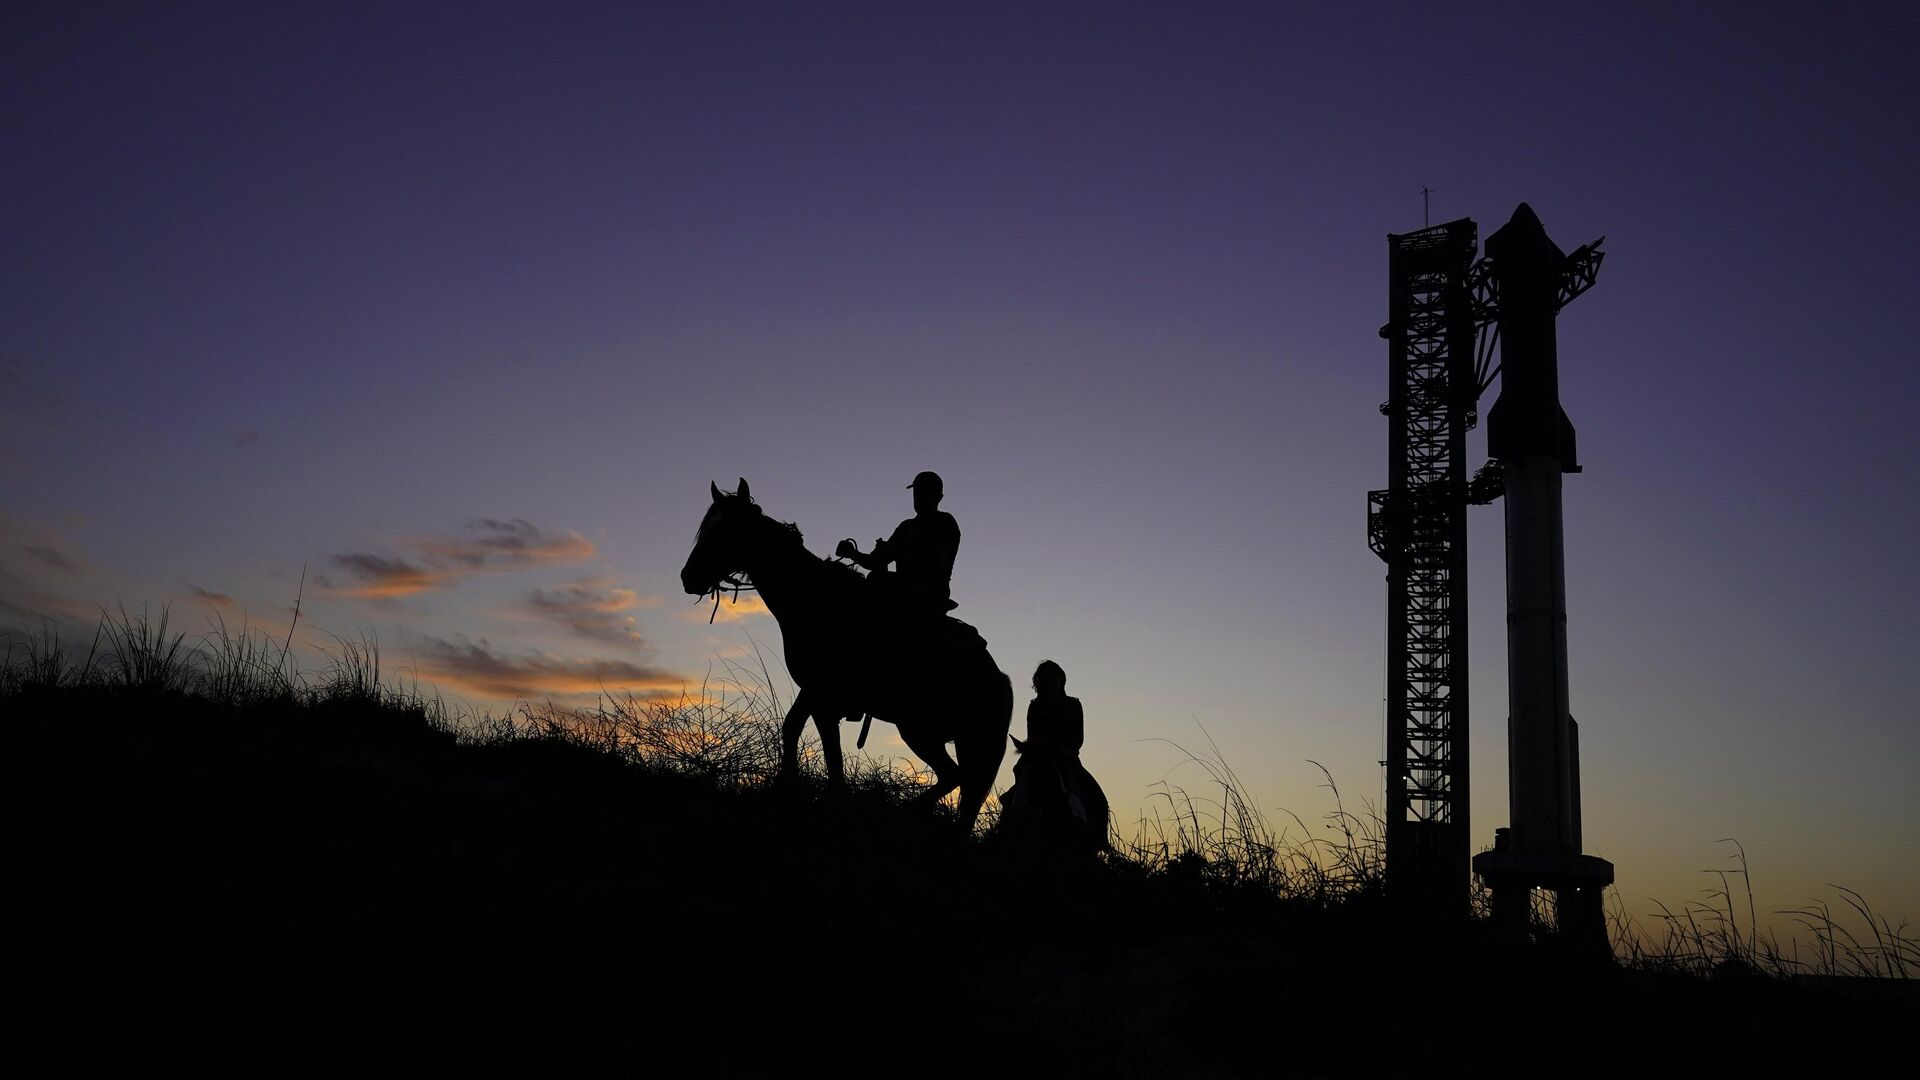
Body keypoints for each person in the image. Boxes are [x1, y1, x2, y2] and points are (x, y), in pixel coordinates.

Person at [836, 470, 961, 617]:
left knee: (876, 583)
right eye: (917, 492)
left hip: (930, 594)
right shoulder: (906, 527)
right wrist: (851, 552)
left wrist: (893, 553)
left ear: (938, 497)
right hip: (904, 587)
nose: (918, 497)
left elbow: (933, 560)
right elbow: (875, 561)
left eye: (924, 492)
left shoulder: (945, 523)